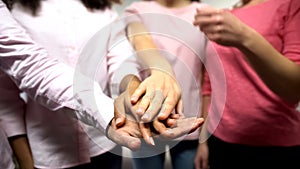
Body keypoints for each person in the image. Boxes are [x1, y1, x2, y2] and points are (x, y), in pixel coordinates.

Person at [0, 0, 204, 161]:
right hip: (51, 149)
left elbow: (120, 59)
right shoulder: (13, 12)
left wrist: (131, 92)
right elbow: (9, 95)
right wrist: (25, 160)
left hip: (105, 145)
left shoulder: (103, 10)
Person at [193, 0, 300, 169]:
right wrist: (203, 141)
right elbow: (210, 85)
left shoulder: (291, 5)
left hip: (275, 147)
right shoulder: (225, 16)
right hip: (219, 141)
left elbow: (295, 90)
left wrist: (244, 36)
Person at [123, 0, 207, 168]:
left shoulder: (204, 13)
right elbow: (140, 40)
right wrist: (162, 69)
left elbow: (208, 82)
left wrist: (205, 140)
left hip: (189, 123)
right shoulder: (136, 10)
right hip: (145, 122)